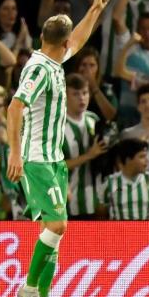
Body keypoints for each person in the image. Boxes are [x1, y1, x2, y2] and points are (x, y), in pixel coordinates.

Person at [5, 0, 110, 297]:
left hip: (53, 159)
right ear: (62, 45)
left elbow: (76, 39)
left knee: (52, 233)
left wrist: (95, 9)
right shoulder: (37, 70)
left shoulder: (53, 59)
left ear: (42, 37)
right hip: (36, 158)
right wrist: (15, 154)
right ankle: (30, 288)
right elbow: (14, 107)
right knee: (57, 224)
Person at [62, 74, 109, 220]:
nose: (82, 98)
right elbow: (54, 167)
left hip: (93, 201)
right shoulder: (56, 126)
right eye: (75, 94)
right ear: (64, 96)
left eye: (85, 93)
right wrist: (89, 155)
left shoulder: (93, 120)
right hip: (67, 203)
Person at [102, 138, 149, 220]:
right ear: (128, 160)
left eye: (146, 156)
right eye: (142, 157)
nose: (147, 160)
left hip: (145, 231)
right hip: (119, 232)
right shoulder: (110, 182)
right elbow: (101, 213)